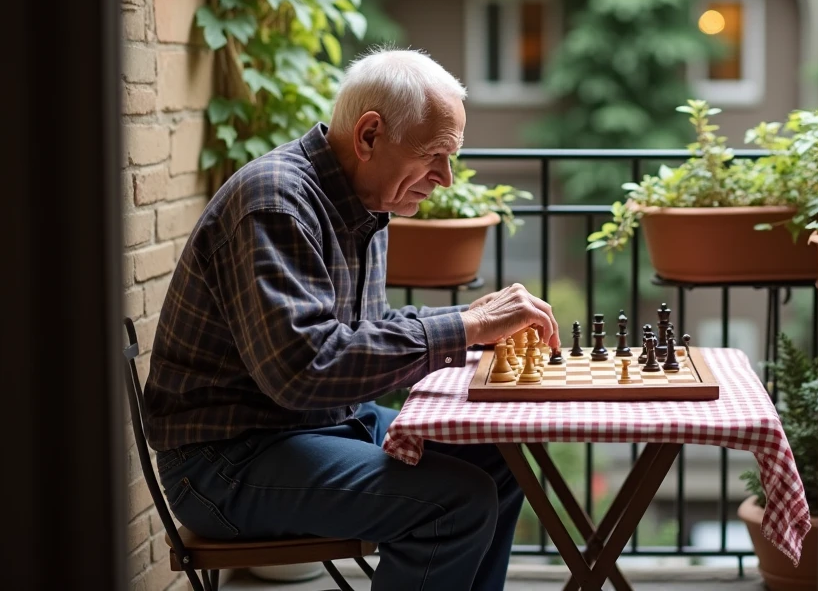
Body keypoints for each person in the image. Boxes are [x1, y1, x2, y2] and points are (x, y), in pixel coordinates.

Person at [142, 48, 560, 590]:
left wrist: (472, 316)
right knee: (454, 503)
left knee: (498, 457)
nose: (446, 178)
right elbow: (304, 368)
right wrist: (462, 330)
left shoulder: (360, 203)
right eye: (436, 154)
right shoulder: (275, 202)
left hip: (317, 428)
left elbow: (361, 332)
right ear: (369, 137)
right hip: (225, 461)